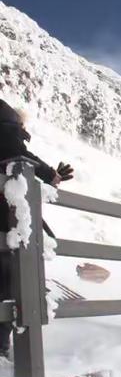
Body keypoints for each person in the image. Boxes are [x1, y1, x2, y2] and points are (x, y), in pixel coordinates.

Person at [0, 99, 73, 358]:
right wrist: (49, 173)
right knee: (12, 275)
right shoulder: (5, 117)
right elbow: (16, 154)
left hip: (9, 210)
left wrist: (50, 174)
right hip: (5, 214)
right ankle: (4, 345)